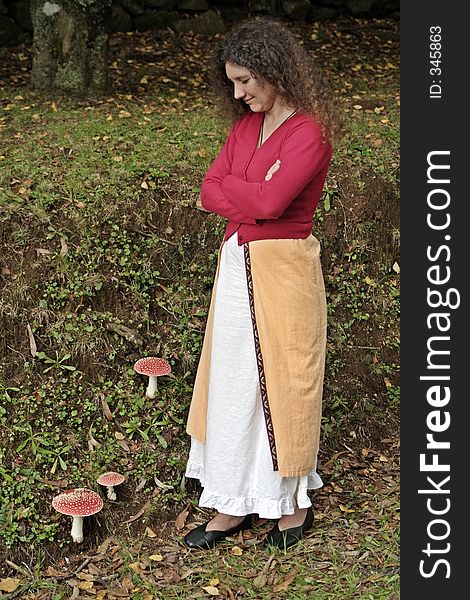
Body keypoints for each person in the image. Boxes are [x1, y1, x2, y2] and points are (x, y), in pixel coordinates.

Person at [183, 17, 341, 551]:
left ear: (275, 72)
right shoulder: (245, 127)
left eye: (246, 80)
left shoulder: (309, 131)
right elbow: (209, 191)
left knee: (284, 379)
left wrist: (241, 189)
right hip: (237, 264)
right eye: (232, 82)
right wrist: (246, 190)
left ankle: (288, 503)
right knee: (234, 381)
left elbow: (274, 205)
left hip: (286, 268)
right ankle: (230, 503)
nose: (239, 92)